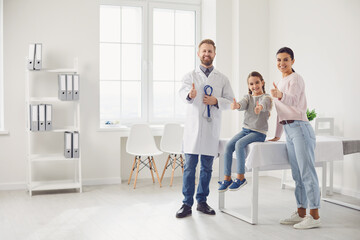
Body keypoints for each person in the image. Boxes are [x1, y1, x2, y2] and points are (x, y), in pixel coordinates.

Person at [176, 39, 234, 218]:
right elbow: (182, 93)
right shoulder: (189, 76)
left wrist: (216, 101)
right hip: (193, 129)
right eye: (204, 51)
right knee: (189, 168)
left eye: (210, 51)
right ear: (198, 53)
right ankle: (186, 204)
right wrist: (190, 94)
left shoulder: (222, 78)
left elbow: (231, 101)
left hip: (211, 128)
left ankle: (202, 201)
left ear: (214, 54)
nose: (207, 54)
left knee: (207, 168)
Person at [269, 47, 321, 229]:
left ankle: (314, 215)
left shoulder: (296, 79)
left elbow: (293, 99)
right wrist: (276, 135)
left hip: (300, 127)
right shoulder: (280, 82)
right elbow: (279, 112)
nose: (281, 63)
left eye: (285, 59)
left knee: (307, 171)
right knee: (297, 174)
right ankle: (301, 213)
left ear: (292, 61)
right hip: (289, 129)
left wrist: (280, 95)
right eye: (278, 60)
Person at [218, 71, 272, 192]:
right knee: (228, 146)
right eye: (251, 84)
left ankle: (241, 177)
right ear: (248, 86)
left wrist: (260, 107)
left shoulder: (266, 98)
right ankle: (227, 178)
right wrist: (236, 105)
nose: (254, 86)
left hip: (259, 133)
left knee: (239, 144)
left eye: (257, 82)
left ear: (262, 82)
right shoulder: (248, 97)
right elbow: (242, 104)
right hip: (245, 130)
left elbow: (264, 104)